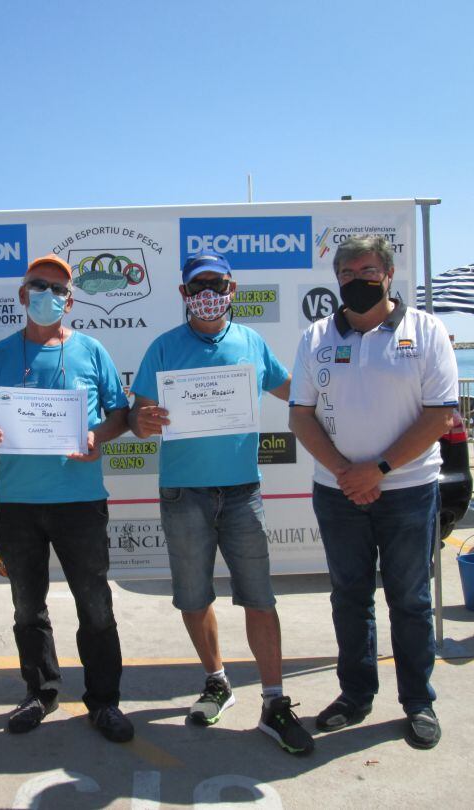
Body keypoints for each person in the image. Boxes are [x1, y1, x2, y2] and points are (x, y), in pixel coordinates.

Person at [128, 249, 314, 756]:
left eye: (218, 283)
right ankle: (217, 681)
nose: (209, 292)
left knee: (260, 596)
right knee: (193, 596)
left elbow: (294, 393)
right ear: (185, 294)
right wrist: (142, 420)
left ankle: (274, 701)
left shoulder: (252, 341)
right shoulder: (163, 348)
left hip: (241, 493)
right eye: (198, 285)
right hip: (182, 493)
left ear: (233, 290)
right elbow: (138, 412)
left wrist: (345, 389)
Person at [288, 234, 457, 750]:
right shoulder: (315, 336)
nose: (356, 282)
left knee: (409, 599)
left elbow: (439, 416)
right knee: (350, 598)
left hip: (408, 490)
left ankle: (418, 701)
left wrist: (378, 469)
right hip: (338, 492)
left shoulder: (426, 331)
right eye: (346, 274)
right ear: (335, 279)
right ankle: (355, 696)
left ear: (388, 274)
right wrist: (345, 471)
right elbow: (300, 415)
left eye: (366, 272)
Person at [0, 254, 134, 743]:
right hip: (17, 504)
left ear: (71, 300)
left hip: (80, 503)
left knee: (95, 605)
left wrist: (98, 438)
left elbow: (119, 415)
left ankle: (104, 702)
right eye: (39, 285)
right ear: (22, 294)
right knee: (26, 607)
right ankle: (40, 692)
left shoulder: (92, 351)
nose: (48, 295)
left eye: (58, 288)